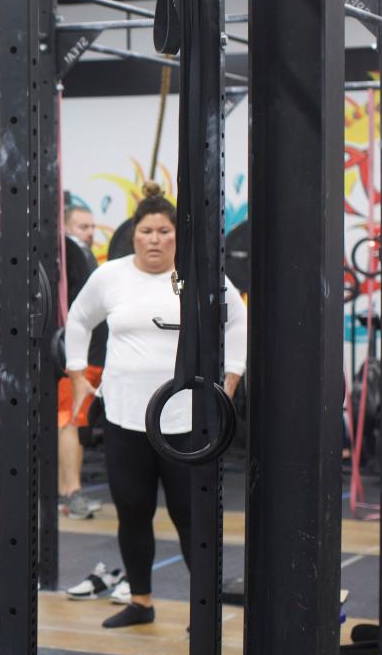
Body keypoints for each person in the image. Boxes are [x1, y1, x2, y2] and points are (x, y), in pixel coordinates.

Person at [64, 185, 246, 628]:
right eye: (147, 230)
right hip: (126, 417)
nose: (155, 239)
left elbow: (237, 317)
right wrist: (77, 378)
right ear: (134, 235)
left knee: (190, 516)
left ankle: (203, 611)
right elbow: (78, 319)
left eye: (164, 231)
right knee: (133, 511)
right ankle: (141, 602)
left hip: (184, 420)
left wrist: (231, 383)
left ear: (176, 237)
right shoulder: (111, 276)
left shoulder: (200, 275)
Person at [58, 202, 104, 520]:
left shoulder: (91, 265)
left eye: (91, 227)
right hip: (73, 358)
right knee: (70, 420)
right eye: (81, 227)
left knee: (77, 423)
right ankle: (72, 494)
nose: (89, 233)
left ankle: (65, 494)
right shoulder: (59, 267)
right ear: (64, 230)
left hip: (96, 354)